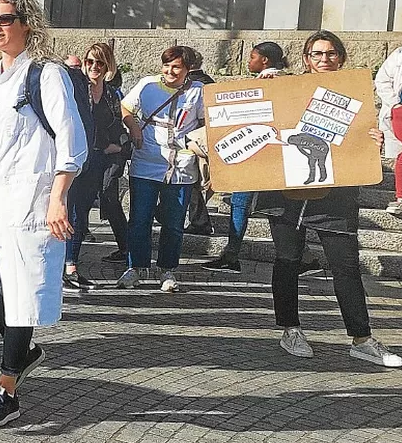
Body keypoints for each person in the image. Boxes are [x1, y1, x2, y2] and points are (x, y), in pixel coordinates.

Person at [0, 0, 85, 427]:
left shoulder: (46, 74)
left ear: (26, 23)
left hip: (31, 200)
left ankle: (6, 387)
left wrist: (58, 196)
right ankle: (27, 351)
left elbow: (71, 139)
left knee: (20, 294)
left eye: (5, 19)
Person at [256, 31, 402, 367]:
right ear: (306, 58)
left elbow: (365, 142)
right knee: (288, 260)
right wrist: (263, 84)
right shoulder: (285, 88)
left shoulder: (357, 96)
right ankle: (290, 329)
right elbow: (254, 113)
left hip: (335, 196)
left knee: (347, 266)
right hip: (286, 193)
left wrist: (373, 140)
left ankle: (362, 338)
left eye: (332, 53)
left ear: (342, 58)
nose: (325, 59)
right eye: (317, 54)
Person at [116, 45, 205, 293]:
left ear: (188, 69)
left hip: (181, 166)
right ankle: (135, 268)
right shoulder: (147, 85)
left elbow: (208, 121)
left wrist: (196, 143)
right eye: (166, 65)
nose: (170, 71)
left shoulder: (198, 92)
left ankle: (167, 270)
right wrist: (133, 128)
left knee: (174, 222)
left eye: (176, 66)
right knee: (139, 219)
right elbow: (125, 108)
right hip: (146, 161)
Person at [202, 41, 287, 273]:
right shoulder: (288, 81)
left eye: (252, 57)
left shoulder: (267, 83)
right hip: (273, 154)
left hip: (255, 153)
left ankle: (232, 255)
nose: (249, 62)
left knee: (241, 204)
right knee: (274, 208)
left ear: (265, 61)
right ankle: (304, 258)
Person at [63, 42, 129, 291]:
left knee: (81, 214)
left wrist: (116, 146)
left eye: (99, 63)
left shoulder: (112, 94)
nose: (93, 67)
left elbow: (116, 124)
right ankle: (66, 266)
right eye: (89, 62)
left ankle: (71, 265)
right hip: (77, 158)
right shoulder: (77, 88)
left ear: (107, 65)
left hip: (99, 160)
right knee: (70, 213)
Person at [184, 49, 217, 237]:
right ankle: (200, 221)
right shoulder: (209, 82)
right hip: (201, 140)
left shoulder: (195, 85)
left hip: (193, 140)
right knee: (195, 183)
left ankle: (200, 222)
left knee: (193, 183)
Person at [375, 41, 402, 216]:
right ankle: (401, 199)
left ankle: (401, 198)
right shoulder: (401, 53)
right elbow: (382, 79)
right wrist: (395, 104)